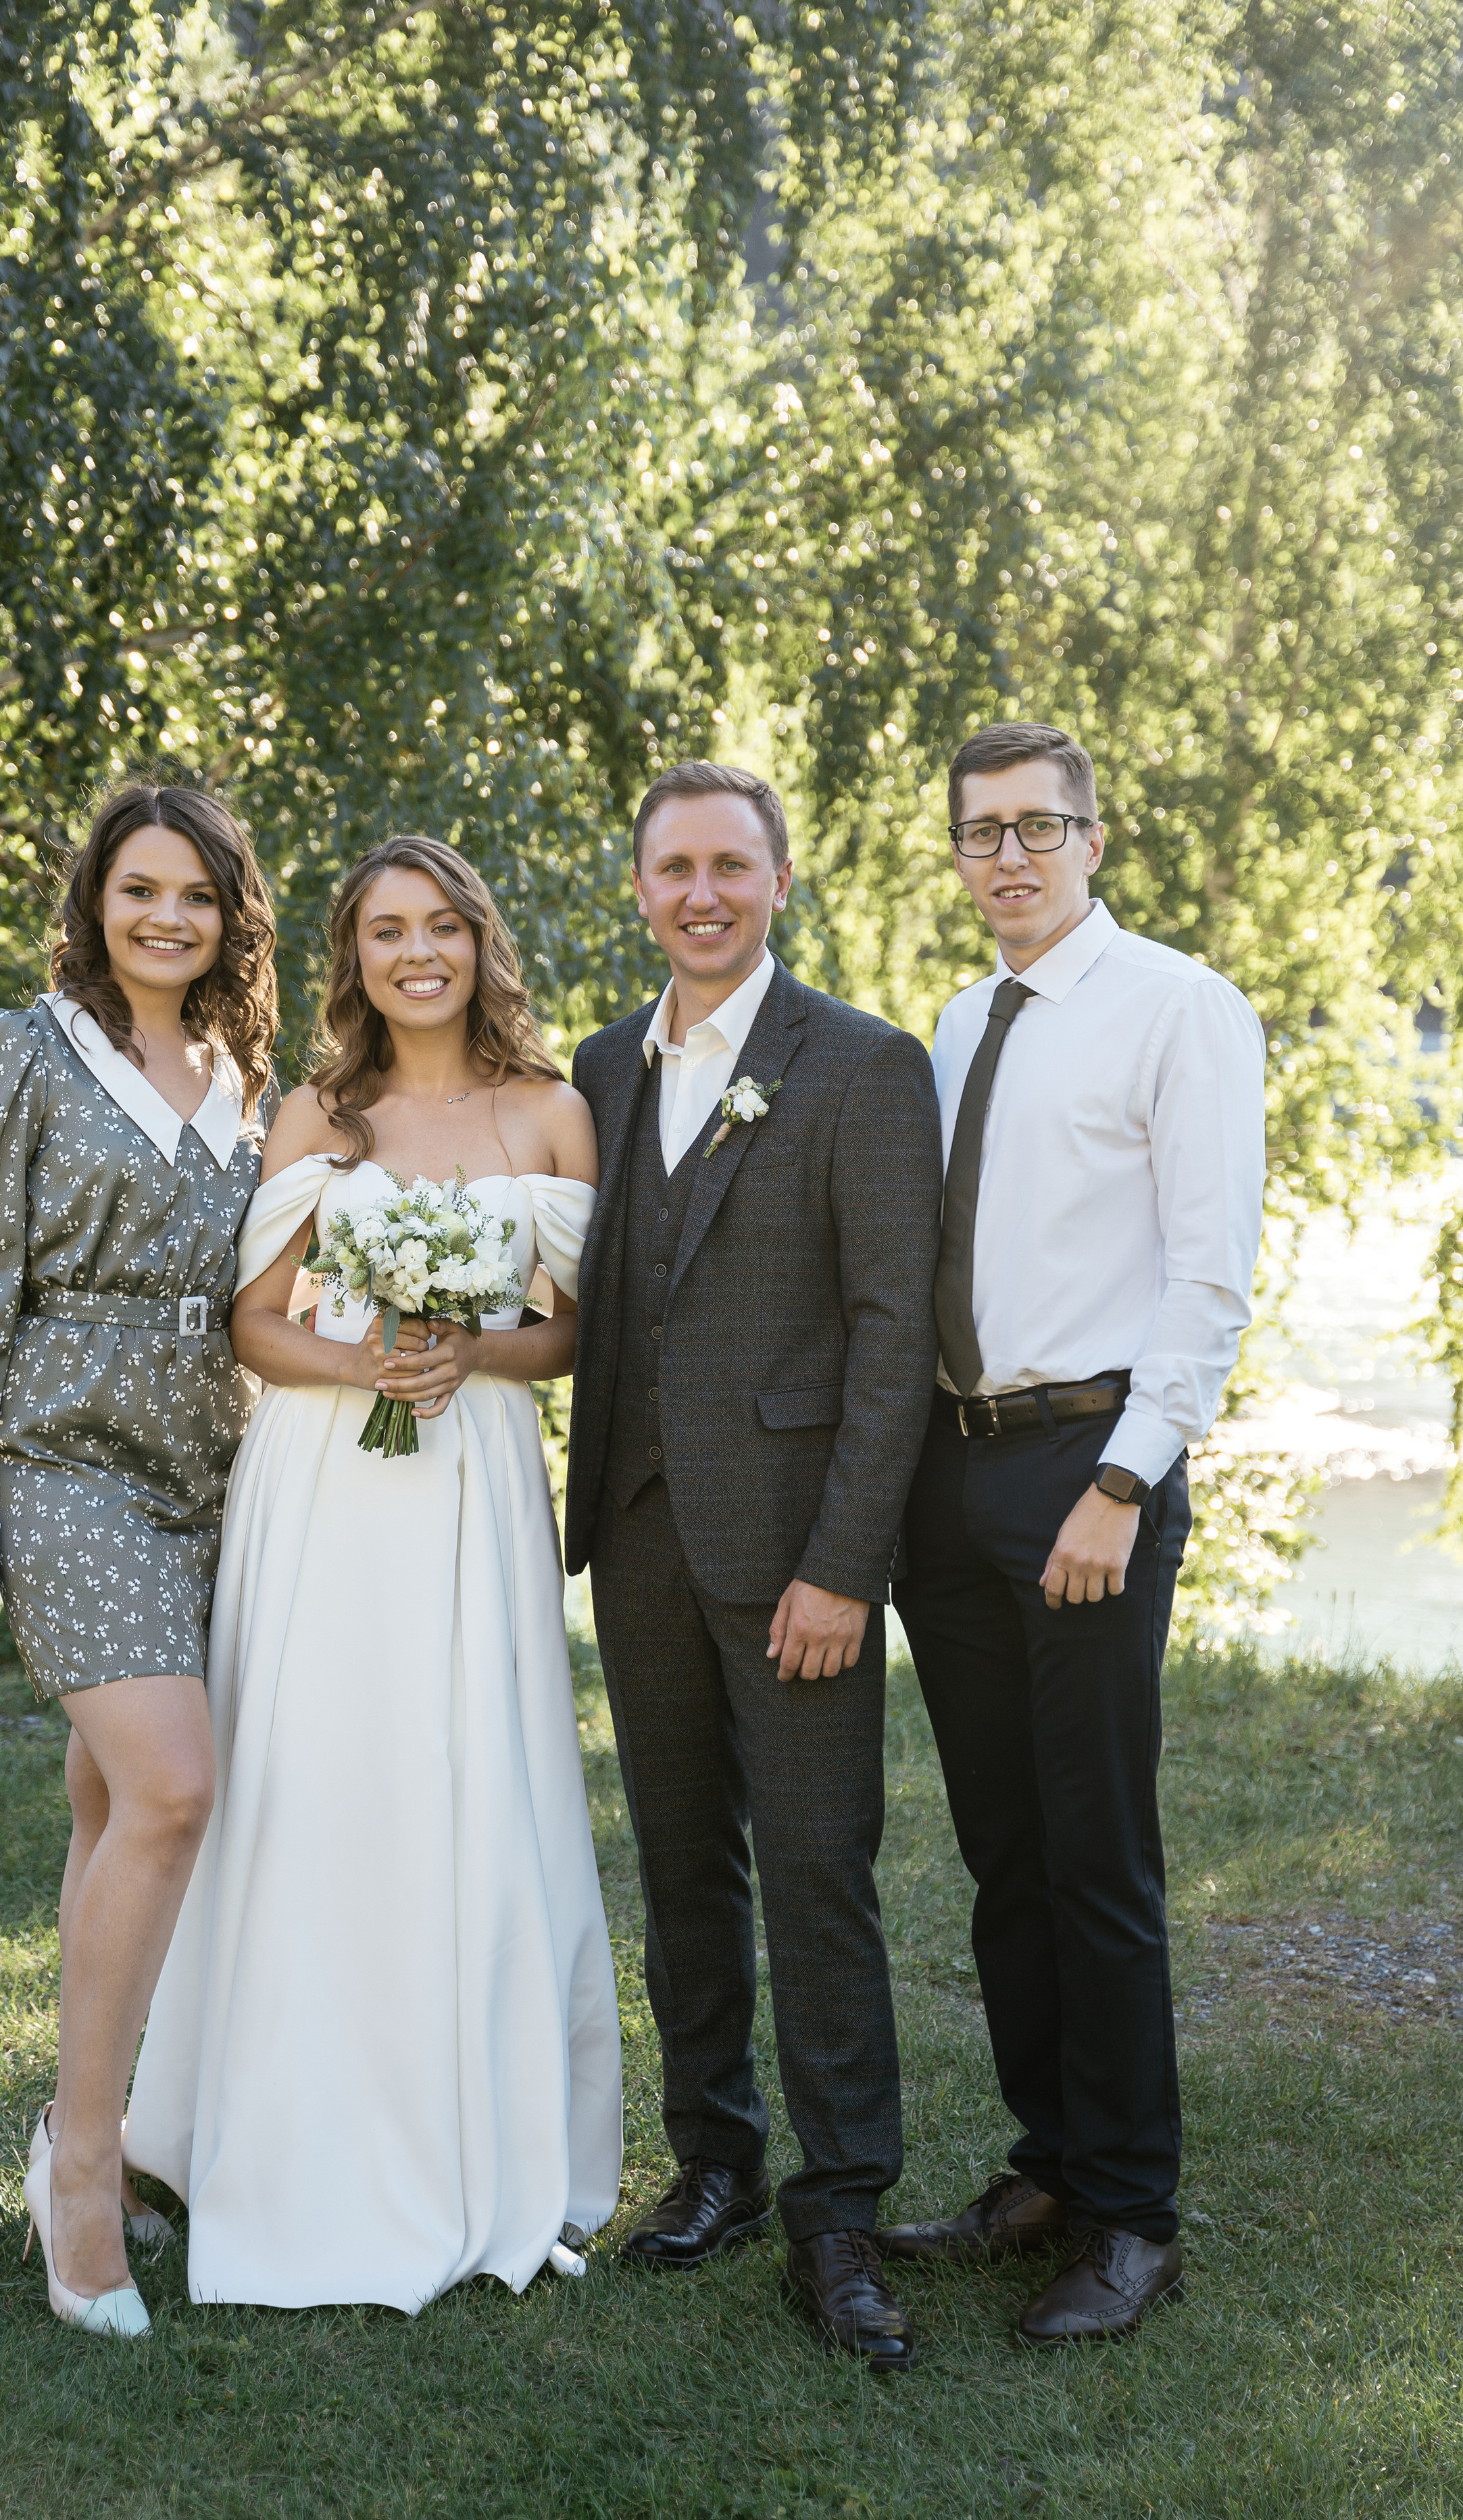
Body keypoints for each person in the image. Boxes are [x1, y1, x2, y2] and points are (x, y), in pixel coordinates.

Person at [124, 834, 622, 2311]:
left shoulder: (551, 1113)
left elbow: (575, 1334)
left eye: (442, 927)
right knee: (317, 1775)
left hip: (469, 1481)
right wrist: (369, 1358)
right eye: (387, 930)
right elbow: (253, 1322)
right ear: (354, 956)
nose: (417, 953)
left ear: (480, 941)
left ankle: (475, 2131)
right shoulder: (314, 1112)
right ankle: (277, 2122)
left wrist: (468, 1350)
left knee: (466, 1775)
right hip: (323, 1483)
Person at [883, 721, 1265, 2344]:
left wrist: (1120, 1481)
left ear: (1093, 838)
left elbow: (1208, 1272)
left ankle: (1129, 2216)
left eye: (1038, 828)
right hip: (950, 1478)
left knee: (1094, 1854)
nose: (1008, 857)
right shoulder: (957, 1024)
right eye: (980, 834)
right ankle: (1044, 2164)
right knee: (1002, 1851)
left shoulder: (1178, 1007)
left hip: (1081, 1471)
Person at [562, 760, 943, 2373]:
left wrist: (842, 1564)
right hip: (638, 1532)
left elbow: (890, 1335)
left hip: (796, 1550)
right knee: (677, 1864)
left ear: (779, 879)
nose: (700, 895)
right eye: (672, 870)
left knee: (814, 1868)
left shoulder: (859, 1066)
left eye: (730, 865)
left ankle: (838, 2207)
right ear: (639, 891)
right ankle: (712, 2157)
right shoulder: (599, 1065)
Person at [0, 779, 280, 2338]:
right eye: (138, 893)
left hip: (213, 1466)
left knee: (114, 1803)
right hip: (58, 1466)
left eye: (194, 895)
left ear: (226, 912)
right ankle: (87, 2169)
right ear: (94, 902)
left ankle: (87, 2125)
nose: (165, 919)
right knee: (175, 1787)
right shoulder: (18, 1052)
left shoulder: (247, 1071)